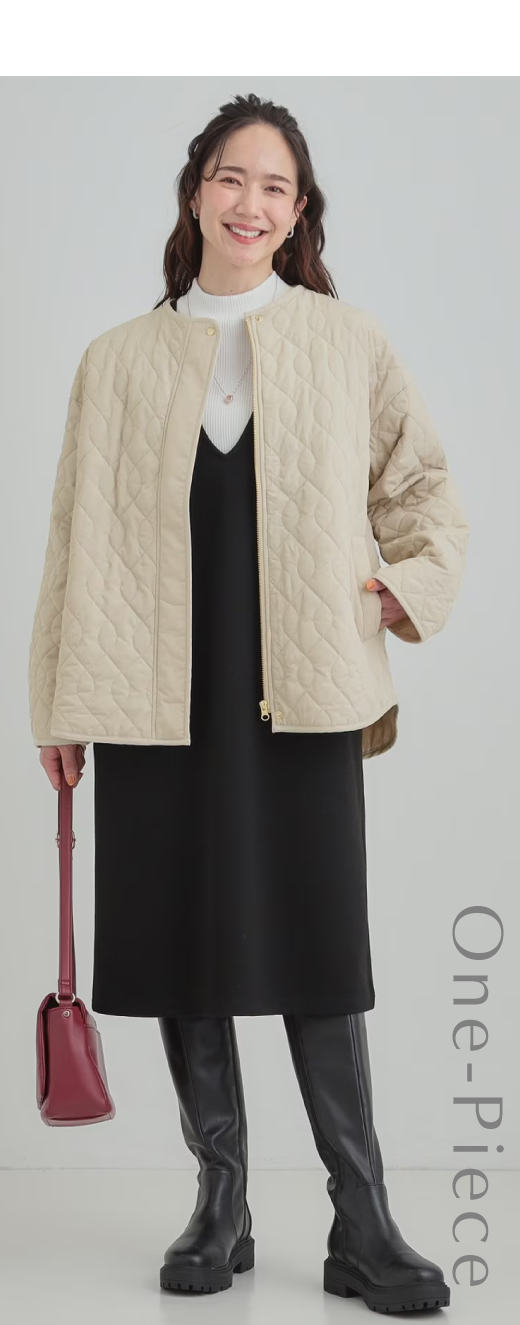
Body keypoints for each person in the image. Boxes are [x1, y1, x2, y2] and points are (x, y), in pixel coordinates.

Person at [29, 92, 469, 1312]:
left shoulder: (345, 341)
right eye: (232, 177)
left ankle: (361, 1221)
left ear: (299, 210)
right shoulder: (117, 359)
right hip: (150, 692)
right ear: (195, 191)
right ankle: (218, 1203)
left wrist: (401, 586)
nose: (251, 202)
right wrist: (55, 706)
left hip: (304, 688)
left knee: (320, 947)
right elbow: (69, 540)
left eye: (276, 186)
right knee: (182, 942)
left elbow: (425, 493)